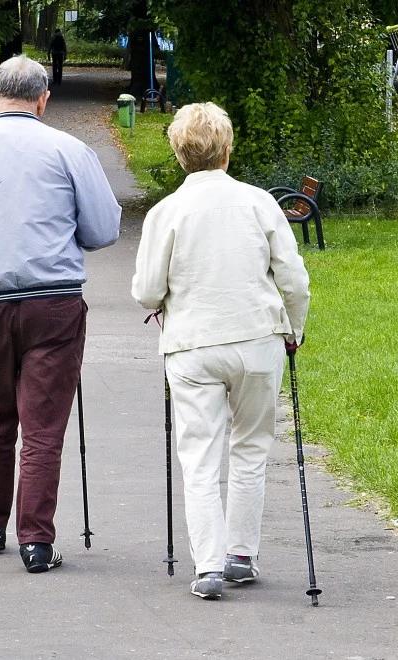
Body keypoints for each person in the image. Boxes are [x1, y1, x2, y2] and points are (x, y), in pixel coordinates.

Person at [0, 54, 122, 574]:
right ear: (43, 99)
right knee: (43, 425)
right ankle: (36, 540)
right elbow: (102, 230)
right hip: (53, 304)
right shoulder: (70, 151)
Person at [130, 102, 310, 600]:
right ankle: (241, 555)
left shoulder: (166, 212)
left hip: (192, 346)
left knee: (199, 454)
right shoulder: (259, 204)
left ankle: (207, 565)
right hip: (257, 340)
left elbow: (146, 291)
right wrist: (294, 329)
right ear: (227, 149)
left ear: (178, 153)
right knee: (251, 448)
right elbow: (293, 280)